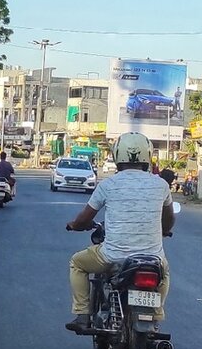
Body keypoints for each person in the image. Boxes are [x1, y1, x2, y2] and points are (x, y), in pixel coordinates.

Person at [64, 133, 174, 333]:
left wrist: (76, 225)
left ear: (117, 156)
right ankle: (156, 314)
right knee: (164, 272)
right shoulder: (161, 185)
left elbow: (84, 218)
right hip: (152, 258)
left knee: (77, 263)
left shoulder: (108, 184)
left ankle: (82, 314)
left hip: (112, 256)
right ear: (148, 155)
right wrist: (165, 230)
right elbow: (168, 219)